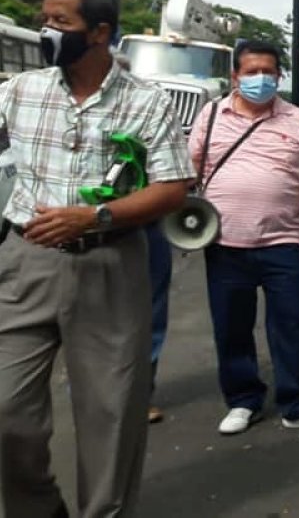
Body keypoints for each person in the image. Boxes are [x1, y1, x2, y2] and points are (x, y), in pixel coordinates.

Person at [0, 0, 193, 517]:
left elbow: (173, 188)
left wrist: (94, 216)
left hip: (109, 264)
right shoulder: (20, 91)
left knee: (111, 414)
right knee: (2, 408)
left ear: (100, 32)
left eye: (61, 22)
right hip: (23, 263)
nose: (46, 31)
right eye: (44, 20)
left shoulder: (147, 103)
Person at [189, 40, 299, 436]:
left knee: (293, 325)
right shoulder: (211, 115)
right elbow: (189, 170)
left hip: (284, 242)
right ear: (235, 76)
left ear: (279, 76)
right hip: (224, 243)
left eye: (268, 72)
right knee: (232, 327)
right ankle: (243, 400)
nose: (260, 79)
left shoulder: (298, 120)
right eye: (251, 72)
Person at [114, 51, 176, 425]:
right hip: (88, 234)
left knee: (149, 316)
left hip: (145, 230)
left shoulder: (151, 114)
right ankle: (92, 393)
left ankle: (140, 394)